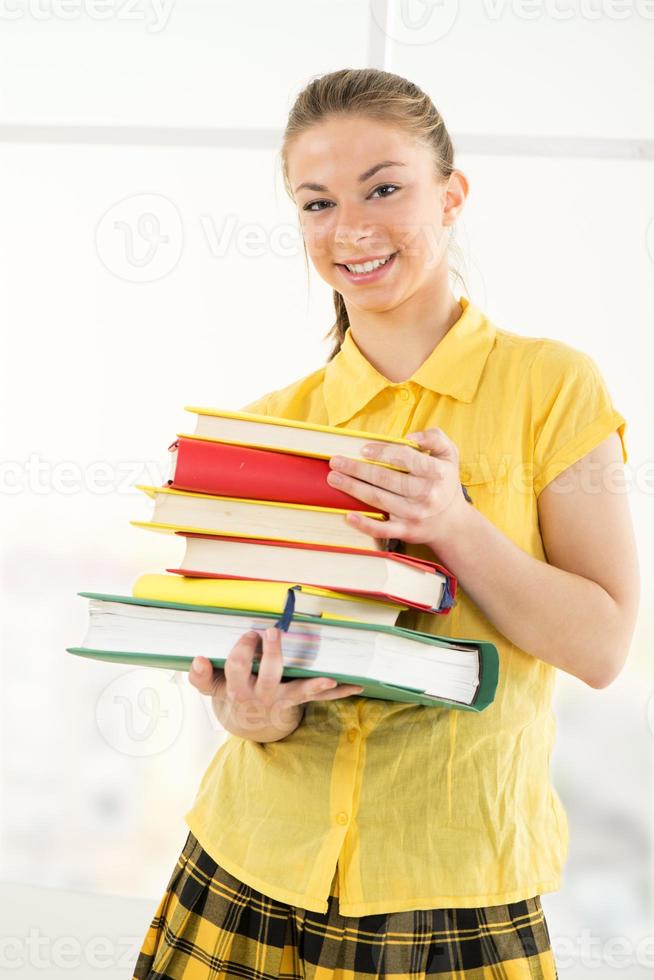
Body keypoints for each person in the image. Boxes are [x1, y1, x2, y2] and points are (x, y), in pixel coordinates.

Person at [132, 68, 639, 980]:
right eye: (317, 202)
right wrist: (252, 713)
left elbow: (602, 647)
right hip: (247, 867)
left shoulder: (555, 387)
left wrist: (456, 525)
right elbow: (255, 670)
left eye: (386, 187)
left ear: (452, 196)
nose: (351, 228)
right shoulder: (274, 427)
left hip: (451, 892)